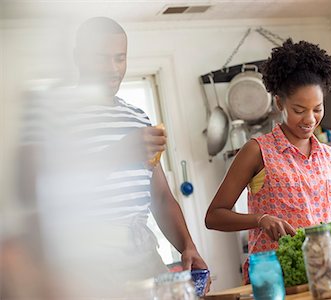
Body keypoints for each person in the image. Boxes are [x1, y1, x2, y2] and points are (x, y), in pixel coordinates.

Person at [10, 17, 209, 297]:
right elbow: (31, 189)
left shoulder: (138, 117)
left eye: (120, 58)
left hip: (142, 250)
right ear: (79, 57)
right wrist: (117, 154)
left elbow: (161, 196)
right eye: (102, 59)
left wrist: (188, 246)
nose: (113, 69)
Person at [205, 39, 331, 283]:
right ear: (280, 102)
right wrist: (259, 220)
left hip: (327, 275)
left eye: (317, 109)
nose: (310, 119)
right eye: (299, 109)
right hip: (273, 279)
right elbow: (214, 216)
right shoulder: (257, 151)